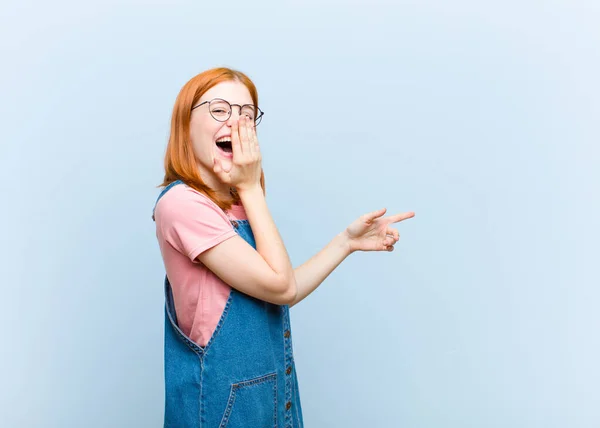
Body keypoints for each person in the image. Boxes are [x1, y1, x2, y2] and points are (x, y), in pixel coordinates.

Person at [152, 67, 415, 427]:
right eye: (219, 110)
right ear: (186, 123)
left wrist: (346, 242)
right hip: (222, 412)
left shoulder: (239, 203)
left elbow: (281, 291)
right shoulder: (182, 205)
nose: (237, 122)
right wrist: (251, 187)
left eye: (247, 114)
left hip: (274, 399)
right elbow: (281, 285)